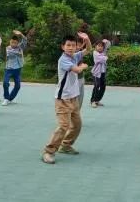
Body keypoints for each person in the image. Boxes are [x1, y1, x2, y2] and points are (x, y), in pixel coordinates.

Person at [41, 32, 92, 164]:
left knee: (77, 124)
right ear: (62, 47)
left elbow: (89, 50)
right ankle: (49, 151)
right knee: (64, 126)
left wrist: (86, 39)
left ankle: (66, 145)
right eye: (68, 45)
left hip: (73, 98)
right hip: (62, 99)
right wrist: (83, 66)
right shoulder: (63, 60)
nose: (70, 47)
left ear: (76, 47)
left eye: (73, 45)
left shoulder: (74, 56)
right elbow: (76, 70)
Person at [2, 30, 27, 106]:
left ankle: (10, 99)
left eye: (15, 43)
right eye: (12, 42)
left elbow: (25, 40)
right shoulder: (8, 48)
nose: (13, 44)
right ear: (10, 42)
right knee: (5, 83)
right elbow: (12, 53)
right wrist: (19, 53)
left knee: (18, 86)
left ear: (17, 43)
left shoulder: (20, 47)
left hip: (17, 69)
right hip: (9, 69)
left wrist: (21, 34)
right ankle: (6, 98)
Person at [90, 39, 111, 108]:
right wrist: (105, 57)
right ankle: (92, 101)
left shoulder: (103, 52)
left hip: (102, 72)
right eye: (98, 46)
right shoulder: (95, 53)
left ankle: (97, 100)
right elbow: (102, 59)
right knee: (96, 86)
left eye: (102, 46)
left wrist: (104, 41)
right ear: (95, 46)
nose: (100, 47)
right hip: (96, 73)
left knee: (103, 86)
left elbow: (108, 43)